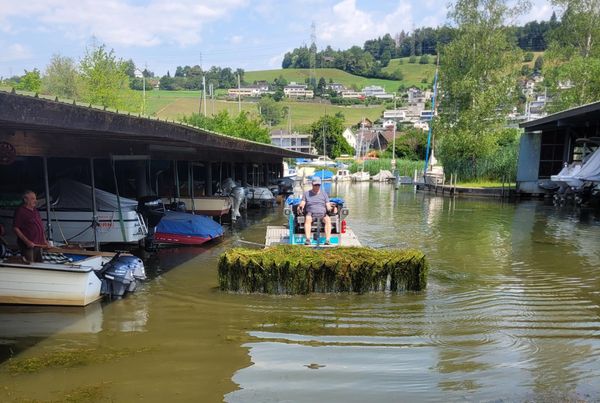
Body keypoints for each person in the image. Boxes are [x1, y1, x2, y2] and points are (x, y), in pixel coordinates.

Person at [297, 177, 335, 245]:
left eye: (318, 185)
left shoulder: (324, 194)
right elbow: (303, 202)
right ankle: (308, 239)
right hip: (311, 214)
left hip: (322, 214)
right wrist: (300, 206)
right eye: (315, 185)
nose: (317, 186)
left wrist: (331, 208)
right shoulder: (306, 194)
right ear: (312, 184)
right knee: (308, 219)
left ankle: (327, 240)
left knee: (328, 220)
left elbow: (328, 205)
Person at [13, 190, 48, 262]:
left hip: (38, 245)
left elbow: (40, 227)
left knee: (39, 264)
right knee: (30, 265)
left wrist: (44, 240)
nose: (35, 201)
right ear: (25, 200)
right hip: (28, 245)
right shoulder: (20, 211)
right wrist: (27, 241)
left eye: (35, 198)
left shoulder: (35, 210)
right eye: (32, 199)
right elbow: (16, 228)